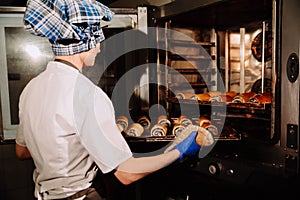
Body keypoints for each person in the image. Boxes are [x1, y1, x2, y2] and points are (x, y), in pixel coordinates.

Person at [15, 0, 213, 199]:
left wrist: (78, 145)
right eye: (98, 40)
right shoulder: (87, 95)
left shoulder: (31, 88)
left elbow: (22, 151)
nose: (99, 48)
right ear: (86, 40)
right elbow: (126, 173)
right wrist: (179, 150)